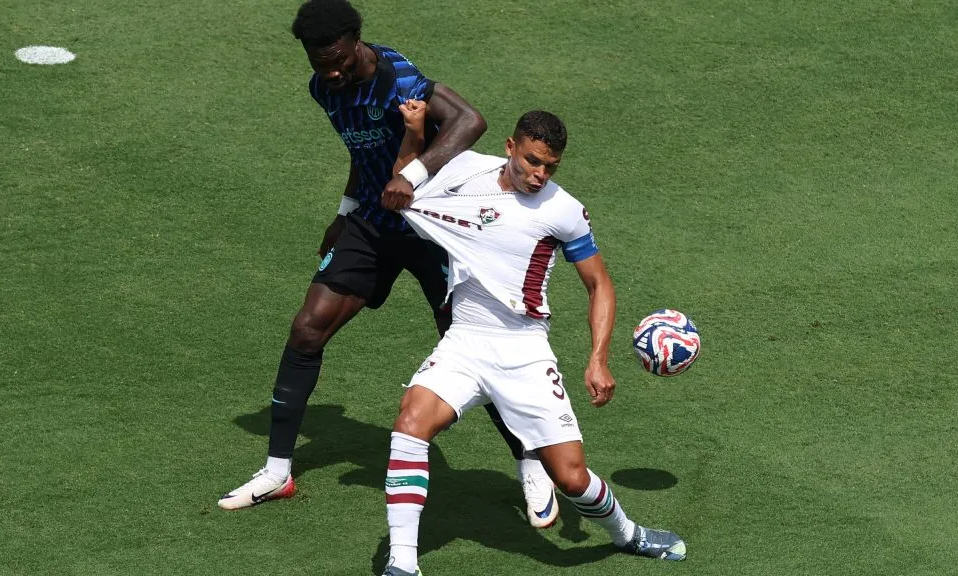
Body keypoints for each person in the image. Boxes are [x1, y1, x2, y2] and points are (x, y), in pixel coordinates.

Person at [218, 0, 559, 526]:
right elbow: (365, 152)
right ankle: (277, 471)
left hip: (436, 231)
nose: (331, 72)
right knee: (307, 329)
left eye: (338, 60)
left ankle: (530, 463)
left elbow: (471, 120)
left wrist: (415, 176)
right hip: (376, 223)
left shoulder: (399, 77)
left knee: (477, 347)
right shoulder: (323, 89)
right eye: (318, 63)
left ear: (357, 41)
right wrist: (345, 210)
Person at [378, 105, 686, 575]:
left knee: (571, 476)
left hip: (524, 351)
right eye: (532, 162)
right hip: (465, 341)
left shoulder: (562, 211)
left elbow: (599, 284)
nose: (540, 174)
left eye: (550, 167)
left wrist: (598, 359)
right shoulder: (463, 169)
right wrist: (414, 133)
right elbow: (403, 184)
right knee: (410, 424)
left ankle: (628, 534)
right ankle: (402, 564)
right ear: (510, 147)